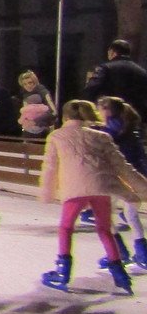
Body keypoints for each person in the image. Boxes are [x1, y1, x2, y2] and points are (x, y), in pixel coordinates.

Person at [38, 100, 146, 294]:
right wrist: (142, 187)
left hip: (75, 189)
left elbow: (50, 167)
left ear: (65, 117)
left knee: (65, 227)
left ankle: (63, 271)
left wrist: (47, 192)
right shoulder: (102, 136)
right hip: (101, 188)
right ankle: (120, 273)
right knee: (105, 229)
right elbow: (122, 166)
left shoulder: (57, 136)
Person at [96, 96, 147, 270]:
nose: (99, 112)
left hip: (121, 177)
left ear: (108, 110)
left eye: (101, 109)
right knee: (131, 214)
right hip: (137, 175)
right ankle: (143, 254)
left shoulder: (110, 131)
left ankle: (118, 253)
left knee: (105, 214)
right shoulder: (131, 127)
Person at [83, 39, 147, 120]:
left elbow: (91, 89)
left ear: (112, 52)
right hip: (137, 119)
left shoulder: (105, 68)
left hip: (111, 116)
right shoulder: (142, 72)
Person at [18, 71, 56, 137]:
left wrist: (36, 121)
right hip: (28, 129)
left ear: (35, 82)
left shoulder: (43, 92)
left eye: (30, 83)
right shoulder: (25, 94)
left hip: (45, 129)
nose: (28, 86)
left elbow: (54, 112)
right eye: (25, 84)